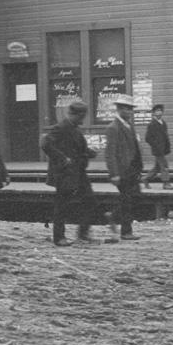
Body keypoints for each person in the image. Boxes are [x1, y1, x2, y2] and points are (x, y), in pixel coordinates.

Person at [42, 100, 107, 246]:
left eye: (83, 116)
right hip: (64, 173)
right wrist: (63, 158)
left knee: (90, 201)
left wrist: (89, 153)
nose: (82, 119)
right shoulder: (61, 128)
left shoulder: (76, 130)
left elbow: (79, 150)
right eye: (80, 116)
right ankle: (59, 238)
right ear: (72, 114)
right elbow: (45, 144)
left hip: (78, 173)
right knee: (62, 205)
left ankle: (83, 234)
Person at [104, 94, 144, 241]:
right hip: (122, 171)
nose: (130, 112)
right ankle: (126, 232)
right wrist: (114, 173)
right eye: (127, 109)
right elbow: (110, 153)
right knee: (127, 199)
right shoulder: (113, 128)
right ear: (120, 109)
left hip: (132, 169)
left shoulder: (129, 125)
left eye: (131, 109)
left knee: (135, 198)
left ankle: (113, 217)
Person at [143, 104, 173, 190]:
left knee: (157, 168)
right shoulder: (152, 124)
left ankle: (145, 178)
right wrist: (155, 145)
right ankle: (166, 183)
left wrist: (167, 146)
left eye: (160, 111)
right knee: (164, 165)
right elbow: (147, 138)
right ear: (153, 113)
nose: (159, 113)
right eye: (157, 111)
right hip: (157, 150)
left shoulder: (163, 123)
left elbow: (165, 136)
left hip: (163, 149)